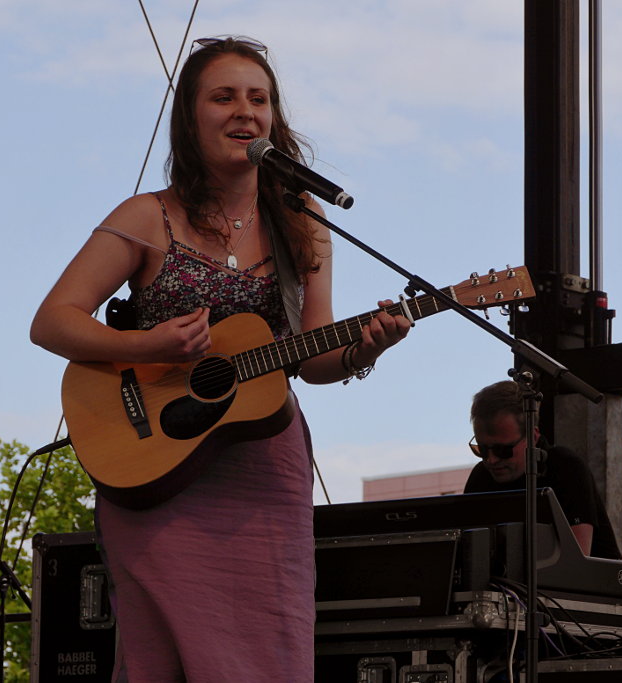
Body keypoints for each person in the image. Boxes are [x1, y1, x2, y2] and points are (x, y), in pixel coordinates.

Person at [31, 36, 410, 682]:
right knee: (160, 662)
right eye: (225, 96)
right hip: (153, 464)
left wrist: (362, 349)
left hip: (264, 472)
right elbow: (52, 321)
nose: (245, 111)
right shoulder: (148, 218)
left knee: (271, 655)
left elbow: (312, 356)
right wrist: (146, 345)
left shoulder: (302, 218)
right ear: (191, 117)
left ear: (274, 119)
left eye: (259, 99)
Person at [463, 380, 622, 560]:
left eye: (503, 450)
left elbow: (577, 561)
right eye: (482, 450)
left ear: (533, 436)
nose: (491, 460)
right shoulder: (480, 477)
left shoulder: (565, 468)